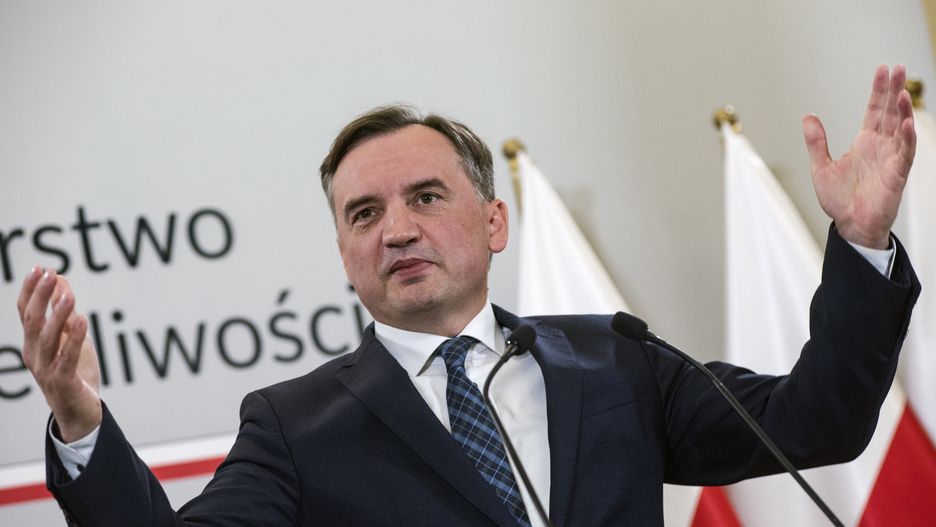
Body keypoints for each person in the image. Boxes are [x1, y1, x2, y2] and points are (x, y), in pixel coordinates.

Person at [18, 64, 918, 526]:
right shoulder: (294, 426)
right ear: (344, 253)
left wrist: (862, 241)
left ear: (494, 223)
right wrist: (81, 421)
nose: (396, 229)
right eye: (364, 213)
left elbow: (817, 422)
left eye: (425, 197)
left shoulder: (617, 359)